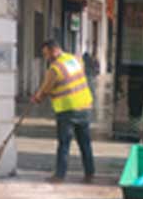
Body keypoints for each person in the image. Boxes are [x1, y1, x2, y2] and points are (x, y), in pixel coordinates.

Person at [31, 39, 96, 183]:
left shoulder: (55, 68)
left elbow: (46, 88)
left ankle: (59, 176)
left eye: (46, 54)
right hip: (84, 106)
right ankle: (90, 173)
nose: (46, 58)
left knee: (64, 144)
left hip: (67, 110)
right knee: (85, 143)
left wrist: (37, 98)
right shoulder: (74, 59)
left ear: (54, 50)